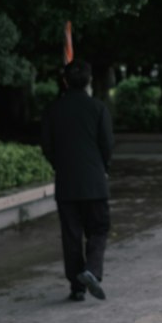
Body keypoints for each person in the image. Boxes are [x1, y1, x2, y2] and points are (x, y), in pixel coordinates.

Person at [41, 58, 113, 302]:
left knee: (71, 235)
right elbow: (107, 145)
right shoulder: (98, 108)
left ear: (64, 81)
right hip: (94, 181)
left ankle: (77, 287)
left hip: (67, 182)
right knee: (99, 228)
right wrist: (103, 166)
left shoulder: (53, 110)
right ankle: (91, 270)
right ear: (89, 81)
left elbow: (47, 146)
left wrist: (59, 165)